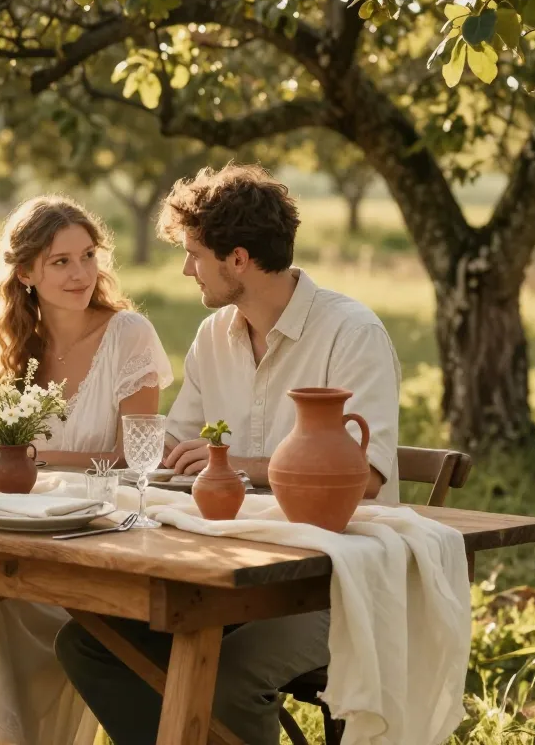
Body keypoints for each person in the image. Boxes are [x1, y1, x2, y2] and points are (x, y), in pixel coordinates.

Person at [55, 164, 401, 745]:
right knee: (91, 643)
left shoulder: (351, 333)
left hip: (335, 581)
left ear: (237, 260)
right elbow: (174, 444)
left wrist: (236, 465)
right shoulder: (214, 335)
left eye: (194, 253)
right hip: (225, 571)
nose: (187, 267)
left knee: (230, 676)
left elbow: (364, 479)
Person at [0, 195, 173, 744]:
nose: (81, 273)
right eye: (60, 261)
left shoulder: (130, 337)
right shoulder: (9, 349)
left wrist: (32, 457)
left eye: (88, 255)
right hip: (20, 539)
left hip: (98, 548)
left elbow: (132, 455)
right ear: (25, 272)